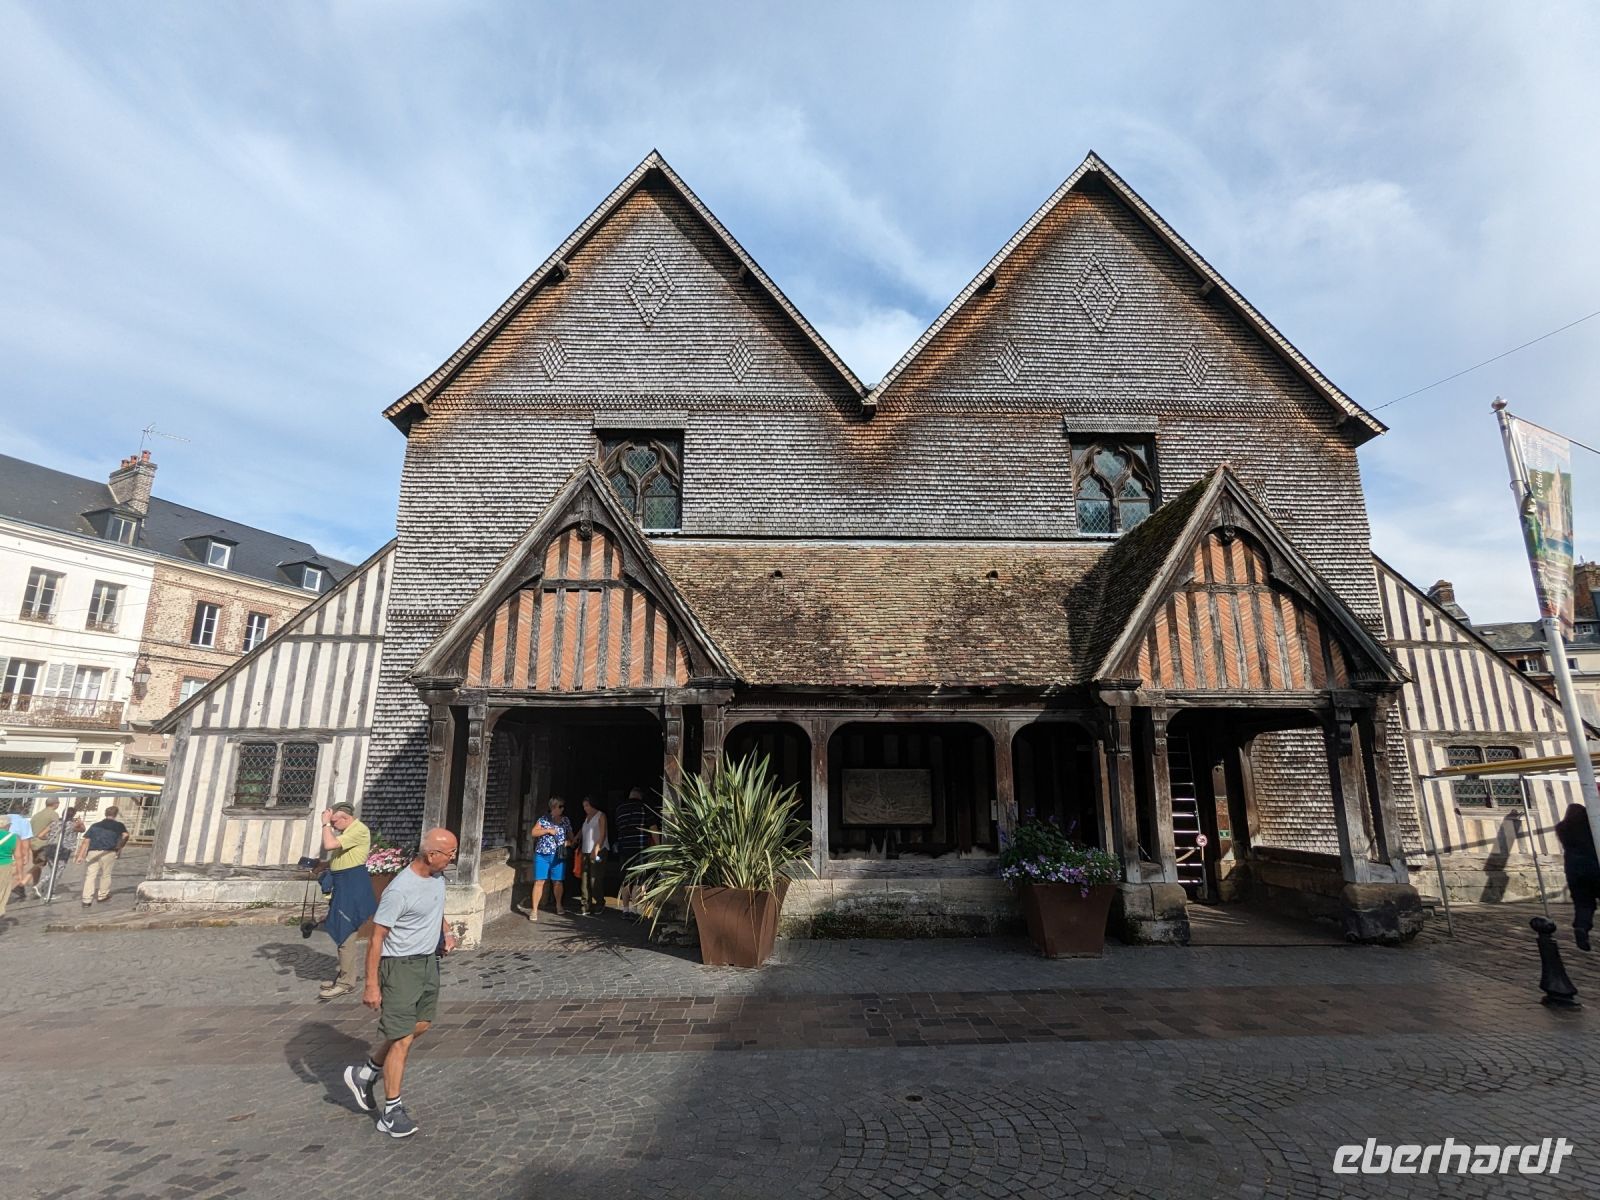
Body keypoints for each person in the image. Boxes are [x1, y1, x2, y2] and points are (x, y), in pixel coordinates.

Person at [342, 828, 458, 1138]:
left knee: (420, 1025)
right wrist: (371, 984)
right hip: (400, 967)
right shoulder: (400, 890)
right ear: (431, 855)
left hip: (428, 963)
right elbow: (376, 938)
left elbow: (436, 907)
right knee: (402, 1038)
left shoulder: (437, 878)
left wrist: (445, 931)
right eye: (450, 853)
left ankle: (366, 1073)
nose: (453, 858)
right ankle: (391, 1112)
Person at [317, 802, 377, 1000]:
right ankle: (344, 974)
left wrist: (325, 824)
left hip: (352, 886)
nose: (333, 826)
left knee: (345, 931)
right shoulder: (347, 832)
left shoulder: (358, 830)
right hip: (343, 884)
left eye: (335, 822)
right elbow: (342, 856)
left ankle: (346, 982)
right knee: (340, 929)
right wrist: (325, 865)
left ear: (345, 818)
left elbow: (329, 845)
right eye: (332, 823)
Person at [1555, 803, 1600, 952]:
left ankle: (1581, 926)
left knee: (1583, 903)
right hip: (1593, 866)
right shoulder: (1590, 827)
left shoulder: (1562, 828)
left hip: (1573, 870)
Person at [614, 786, 656, 919]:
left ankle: (625, 909)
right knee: (638, 880)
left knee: (626, 880)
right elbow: (653, 827)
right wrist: (658, 846)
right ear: (640, 796)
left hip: (624, 848)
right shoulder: (644, 807)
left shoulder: (620, 809)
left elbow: (618, 827)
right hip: (640, 848)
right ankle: (634, 910)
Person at [527, 797, 572, 921]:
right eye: (560, 806)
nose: (562, 809)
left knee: (558, 882)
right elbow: (533, 832)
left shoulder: (565, 820)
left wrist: (568, 843)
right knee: (539, 881)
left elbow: (571, 838)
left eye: (563, 806)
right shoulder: (543, 819)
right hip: (542, 855)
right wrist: (547, 830)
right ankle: (534, 910)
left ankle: (559, 905)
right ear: (553, 807)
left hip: (558, 855)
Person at [74, 806, 128, 907]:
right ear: (116, 814)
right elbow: (125, 835)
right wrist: (120, 846)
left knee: (90, 876)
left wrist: (80, 856)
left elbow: (86, 841)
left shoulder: (95, 825)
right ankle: (102, 895)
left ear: (105, 814)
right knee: (106, 874)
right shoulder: (119, 825)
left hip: (93, 851)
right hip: (109, 852)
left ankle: (86, 899)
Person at [578, 796, 608, 916]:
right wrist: (576, 838)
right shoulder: (587, 817)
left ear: (593, 804)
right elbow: (583, 830)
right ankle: (585, 905)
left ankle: (600, 903)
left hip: (598, 851)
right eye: (584, 806)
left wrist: (596, 849)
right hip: (585, 851)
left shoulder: (601, 815)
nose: (585, 808)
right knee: (584, 880)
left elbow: (603, 834)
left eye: (587, 805)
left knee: (594, 879)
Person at [8, 811, 32, 902]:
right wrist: (26, 855)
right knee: (17, 869)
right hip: (13, 851)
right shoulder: (24, 822)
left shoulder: (3, 819)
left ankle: (19, 888)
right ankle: (19, 887)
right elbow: (25, 841)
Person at [0, 819, 18, 919]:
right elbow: (18, 855)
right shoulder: (13, 837)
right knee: (3, 889)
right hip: (5, 865)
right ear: (8, 825)